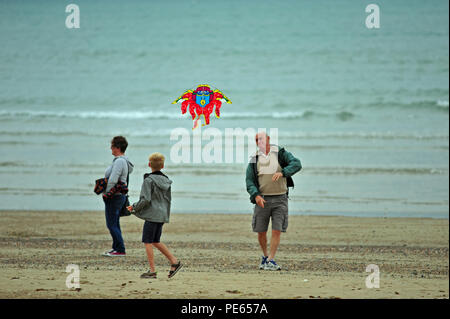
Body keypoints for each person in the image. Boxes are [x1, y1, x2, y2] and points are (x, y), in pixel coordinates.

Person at [246, 132, 302, 270]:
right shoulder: (254, 159)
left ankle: (271, 259)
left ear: (269, 139)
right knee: (261, 232)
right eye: (257, 139)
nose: (259, 141)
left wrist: (283, 172)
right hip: (262, 200)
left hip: (280, 199)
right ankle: (264, 257)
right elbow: (249, 181)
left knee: (277, 230)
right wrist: (256, 195)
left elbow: (297, 164)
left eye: (262, 139)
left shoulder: (280, 153)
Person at [127, 152, 182, 279]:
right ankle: (174, 262)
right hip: (162, 214)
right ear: (162, 166)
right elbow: (167, 200)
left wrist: (134, 207)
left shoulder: (149, 180)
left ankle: (152, 271)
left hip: (152, 215)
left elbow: (145, 199)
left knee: (147, 241)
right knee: (155, 240)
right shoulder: (166, 180)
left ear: (149, 164)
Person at [102, 136, 134, 257]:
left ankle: (120, 249)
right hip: (119, 195)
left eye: (112, 146)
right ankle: (116, 247)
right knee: (115, 222)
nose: (111, 148)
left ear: (118, 147)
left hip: (114, 196)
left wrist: (107, 193)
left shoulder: (120, 161)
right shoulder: (122, 160)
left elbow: (113, 179)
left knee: (111, 224)